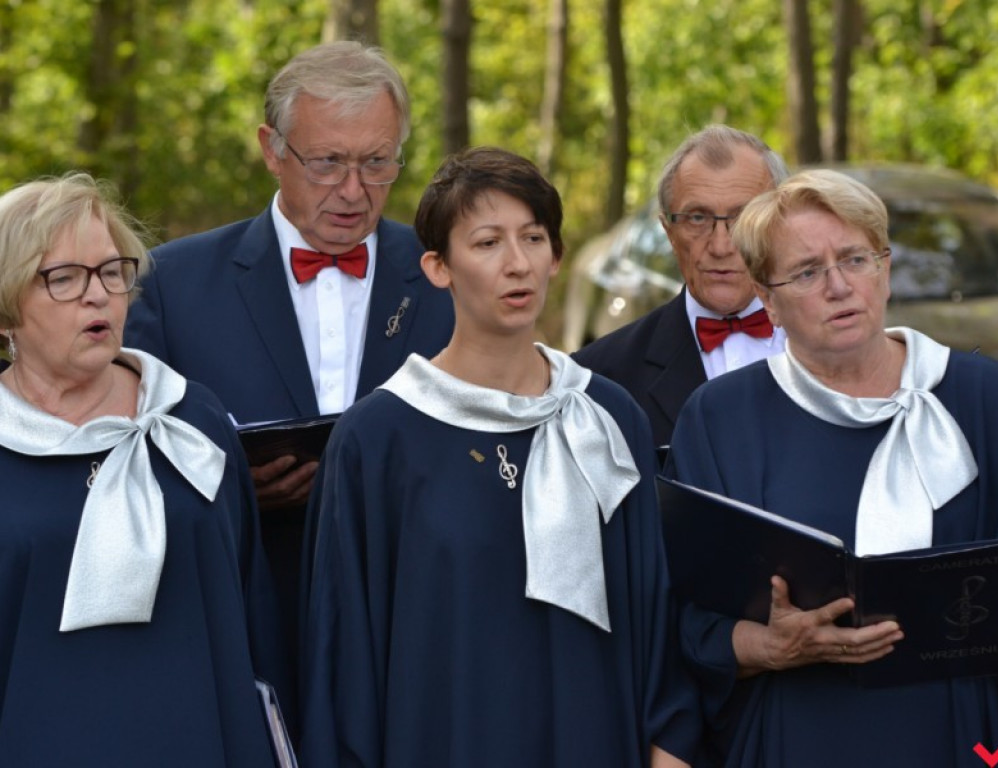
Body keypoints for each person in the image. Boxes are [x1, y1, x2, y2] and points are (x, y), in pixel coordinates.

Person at [301, 147, 699, 768]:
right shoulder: (377, 439)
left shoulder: (607, 416)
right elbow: (343, 662)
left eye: (533, 238)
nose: (517, 265)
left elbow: (655, 615)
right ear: (438, 267)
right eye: (487, 243)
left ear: (557, 256)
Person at [666, 168, 998, 766]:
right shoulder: (722, 418)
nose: (838, 286)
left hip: (964, 733)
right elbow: (679, 614)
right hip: (800, 732)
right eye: (807, 272)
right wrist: (771, 646)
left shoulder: (982, 396)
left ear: (884, 271)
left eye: (855, 259)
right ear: (770, 300)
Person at [125, 41, 455, 656]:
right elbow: (124, 474)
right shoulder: (171, 284)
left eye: (378, 162)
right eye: (327, 162)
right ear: (271, 150)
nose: (354, 190)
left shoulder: (448, 276)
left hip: (417, 625)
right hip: (243, 616)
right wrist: (230, 490)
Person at [0, 173, 287, 765]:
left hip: (208, 742)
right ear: (6, 307)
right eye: (63, 278)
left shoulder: (192, 419)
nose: (98, 294)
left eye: (112, 271)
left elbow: (249, 604)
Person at [573, 125, 788, 449]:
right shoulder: (598, 377)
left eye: (743, 217)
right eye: (697, 218)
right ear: (668, 231)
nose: (720, 245)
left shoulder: (840, 351)